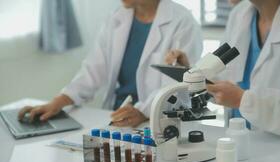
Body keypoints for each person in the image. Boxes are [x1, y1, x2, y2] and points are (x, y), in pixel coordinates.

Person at [18, 0, 203, 128]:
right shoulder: (117, 17)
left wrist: (143, 112)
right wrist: (58, 102)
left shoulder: (183, 22)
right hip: (118, 116)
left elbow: (178, 86)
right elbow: (93, 69)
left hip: (159, 121)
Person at [165, 0, 280, 139]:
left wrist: (241, 100)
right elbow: (225, 79)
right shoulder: (240, 14)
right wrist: (193, 74)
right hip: (237, 142)